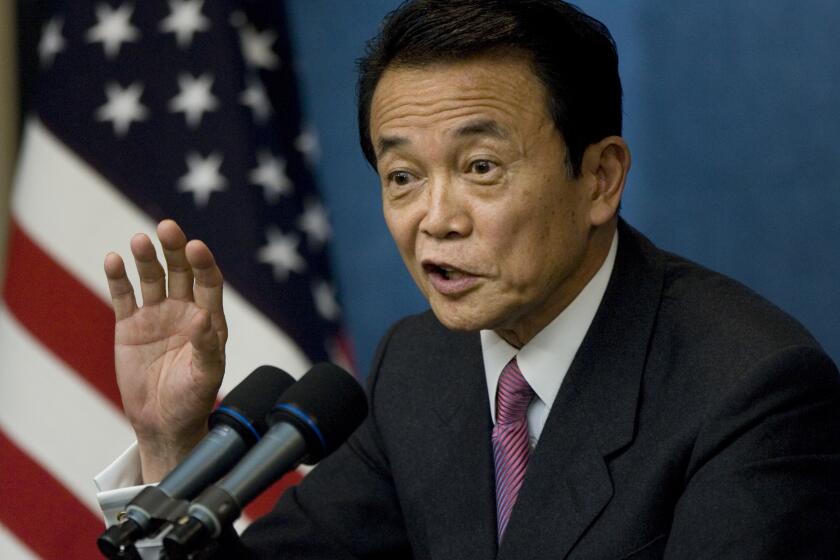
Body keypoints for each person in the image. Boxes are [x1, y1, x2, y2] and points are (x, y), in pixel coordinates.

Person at [97, 0, 840, 558]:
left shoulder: (751, 391)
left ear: (600, 179)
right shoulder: (419, 367)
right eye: (402, 177)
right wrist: (171, 445)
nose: (436, 218)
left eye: (481, 168)